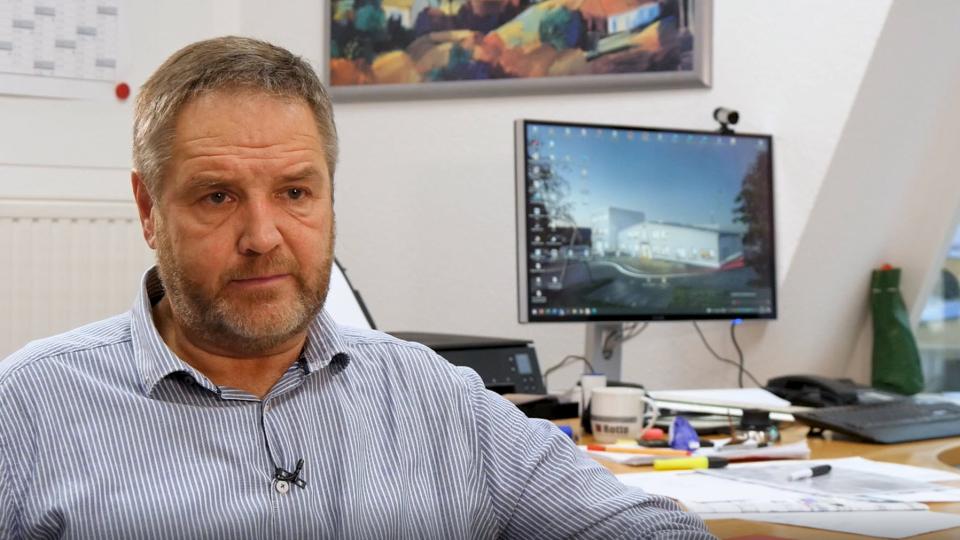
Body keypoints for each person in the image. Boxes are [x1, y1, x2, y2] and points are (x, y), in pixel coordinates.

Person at [0, 36, 713, 539]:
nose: (263, 235)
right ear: (149, 210)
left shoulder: (434, 398)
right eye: (217, 197)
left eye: (295, 192)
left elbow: (642, 528)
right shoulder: (30, 411)